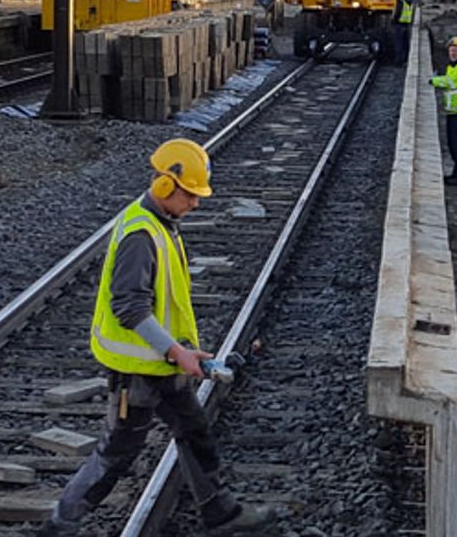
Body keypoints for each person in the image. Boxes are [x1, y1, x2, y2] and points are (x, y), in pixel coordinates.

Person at [37, 139, 277, 537]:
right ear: (166, 186)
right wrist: (174, 350)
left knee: (194, 430)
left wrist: (180, 350)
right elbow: (129, 308)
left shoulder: (162, 224)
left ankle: (222, 515)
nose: (196, 204)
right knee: (117, 454)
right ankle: (58, 527)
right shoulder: (140, 235)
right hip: (137, 370)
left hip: (162, 363)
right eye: (191, 195)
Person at [429, 36, 457, 186]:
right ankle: (456, 174)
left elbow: (450, 82)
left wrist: (432, 80)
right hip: (454, 112)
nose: (453, 52)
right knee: (453, 145)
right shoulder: (454, 66)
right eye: (451, 49)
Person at [391, 0, 415, 66]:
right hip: (407, 24)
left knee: (398, 44)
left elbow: (397, 13)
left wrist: (393, 21)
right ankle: (405, 60)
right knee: (405, 44)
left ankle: (398, 61)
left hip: (399, 24)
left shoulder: (401, 2)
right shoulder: (410, 1)